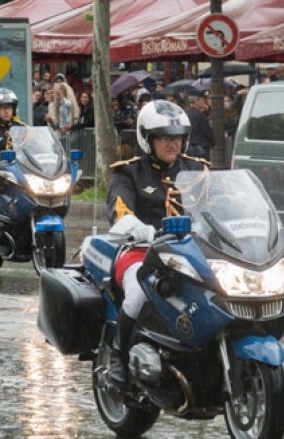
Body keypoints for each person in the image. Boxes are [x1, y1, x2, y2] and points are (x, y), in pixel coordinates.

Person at [105, 100, 209, 387]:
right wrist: (137, 227)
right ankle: (119, 356)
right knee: (139, 292)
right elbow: (120, 209)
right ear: (146, 138)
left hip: (192, 252)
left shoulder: (199, 171)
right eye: (163, 137)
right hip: (141, 251)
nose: (171, 143)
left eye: (176, 137)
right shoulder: (129, 172)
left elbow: (222, 206)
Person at [185, 90, 213, 160]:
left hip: (187, 148)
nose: (204, 102)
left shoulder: (185, 114)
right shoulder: (200, 116)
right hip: (200, 149)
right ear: (197, 100)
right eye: (203, 99)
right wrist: (214, 142)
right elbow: (207, 133)